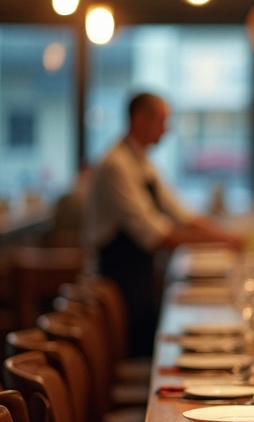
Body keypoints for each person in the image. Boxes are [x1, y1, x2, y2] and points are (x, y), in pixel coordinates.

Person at [88, 92, 242, 357]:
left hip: (139, 274)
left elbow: (181, 214)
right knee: (136, 351)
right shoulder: (116, 165)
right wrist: (224, 241)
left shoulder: (142, 162)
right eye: (162, 121)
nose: (167, 129)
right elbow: (156, 235)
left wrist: (226, 236)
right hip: (118, 280)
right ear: (139, 119)